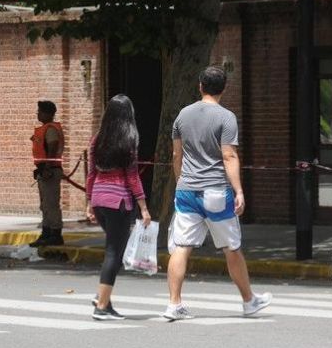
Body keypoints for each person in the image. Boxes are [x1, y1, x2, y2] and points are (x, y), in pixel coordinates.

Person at [164, 66, 271, 320]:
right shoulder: (226, 117)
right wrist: (239, 190)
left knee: (181, 246)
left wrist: (182, 182)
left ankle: (174, 303)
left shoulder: (182, 115)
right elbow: (229, 155)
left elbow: (176, 155)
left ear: (200, 86)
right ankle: (248, 301)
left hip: (187, 190)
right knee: (231, 247)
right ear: (224, 89)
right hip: (216, 191)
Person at [85, 94, 152, 320]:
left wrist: (88, 203)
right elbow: (132, 177)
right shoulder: (129, 139)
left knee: (113, 250)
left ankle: (104, 299)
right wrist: (143, 207)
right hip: (119, 202)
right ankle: (101, 305)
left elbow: (92, 173)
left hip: (99, 200)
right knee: (115, 252)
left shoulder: (98, 139)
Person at [30, 100, 64, 247]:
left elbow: (52, 146)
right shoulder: (44, 129)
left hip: (49, 171)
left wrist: (48, 167)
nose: (38, 113)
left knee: (51, 204)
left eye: (40, 111)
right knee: (45, 205)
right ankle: (46, 233)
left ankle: (55, 234)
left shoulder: (50, 129)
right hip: (43, 170)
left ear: (49, 113)